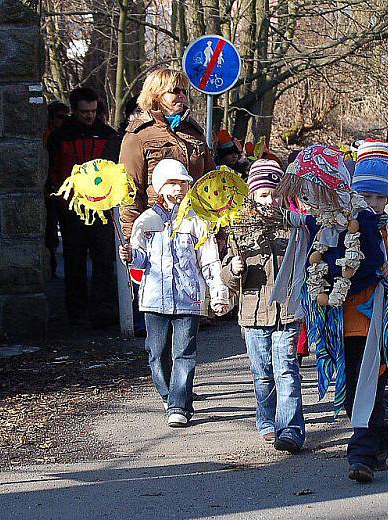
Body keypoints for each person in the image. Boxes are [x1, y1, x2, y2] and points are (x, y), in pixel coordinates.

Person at [270, 145, 388, 483]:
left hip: (375, 320)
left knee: (372, 382)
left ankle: (361, 454)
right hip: (341, 323)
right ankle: (376, 437)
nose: (371, 202)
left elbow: (380, 267)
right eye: (364, 194)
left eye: (378, 197)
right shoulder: (328, 224)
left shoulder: (376, 223)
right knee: (354, 390)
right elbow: (313, 257)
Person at [119, 159, 230, 427]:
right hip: (153, 299)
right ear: (159, 187)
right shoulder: (147, 221)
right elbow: (140, 260)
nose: (178, 188)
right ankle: (170, 395)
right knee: (155, 353)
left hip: (187, 297)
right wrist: (131, 255)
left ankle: (179, 405)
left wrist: (217, 291)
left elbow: (209, 259)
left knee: (184, 353)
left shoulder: (196, 220)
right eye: (172, 183)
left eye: (182, 183)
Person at [221, 159, 306, 453]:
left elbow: (306, 264)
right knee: (262, 372)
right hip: (253, 313)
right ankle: (265, 419)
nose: (269, 201)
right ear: (252, 196)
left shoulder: (294, 227)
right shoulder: (239, 229)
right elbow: (227, 278)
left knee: (286, 370)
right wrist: (235, 268)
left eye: (274, 193)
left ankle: (291, 429)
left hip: (287, 311)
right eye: (262, 194)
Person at [46, 87, 118, 327]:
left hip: (101, 207)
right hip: (72, 207)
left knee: (104, 259)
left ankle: (103, 311)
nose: (89, 115)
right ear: (74, 110)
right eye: (84, 111)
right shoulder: (60, 136)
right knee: (74, 259)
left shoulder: (108, 135)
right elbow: (54, 171)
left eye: (93, 111)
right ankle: (76, 311)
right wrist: (60, 199)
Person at [119, 67, 215, 240]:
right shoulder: (138, 135)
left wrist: (218, 229)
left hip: (194, 227)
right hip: (156, 227)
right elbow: (129, 191)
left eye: (184, 91)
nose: (181, 95)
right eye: (174, 91)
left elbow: (211, 182)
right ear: (156, 95)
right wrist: (131, 237)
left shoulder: (194, 133)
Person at [43, 101, 69, 278]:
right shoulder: (47, 136)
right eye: (60, 117)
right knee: (50, 229)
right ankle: (50, 267)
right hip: (51, 189)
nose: (63, 121)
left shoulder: (62, 136)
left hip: (60, 188)